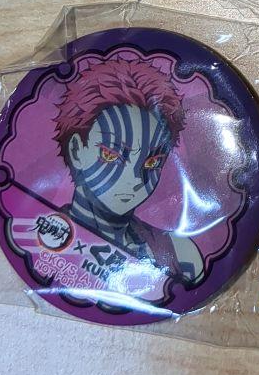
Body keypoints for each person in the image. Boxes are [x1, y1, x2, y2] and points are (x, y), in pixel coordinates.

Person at [54, 58, 202, 284]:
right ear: (77, 150)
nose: (135, 179)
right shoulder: (38, 232)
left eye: (152, 163)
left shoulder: (181, 255)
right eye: (111, 155)